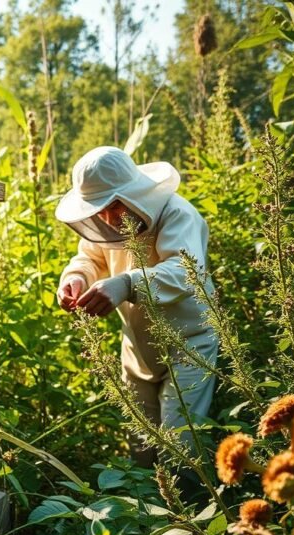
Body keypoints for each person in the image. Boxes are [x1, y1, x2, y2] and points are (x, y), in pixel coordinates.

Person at [55, 146, 217, 467]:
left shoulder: (177, 213)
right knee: (142, 448)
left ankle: (192, 515)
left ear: (133, 193)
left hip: (188, 344)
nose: (106, 218)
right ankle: (148, 517)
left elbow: (185, 272)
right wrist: (75, 277)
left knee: (179, 447)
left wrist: (126, 283)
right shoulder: (107, 225)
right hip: (136, 348)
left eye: (112, 206)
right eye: (97, 210)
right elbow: (89, 257)